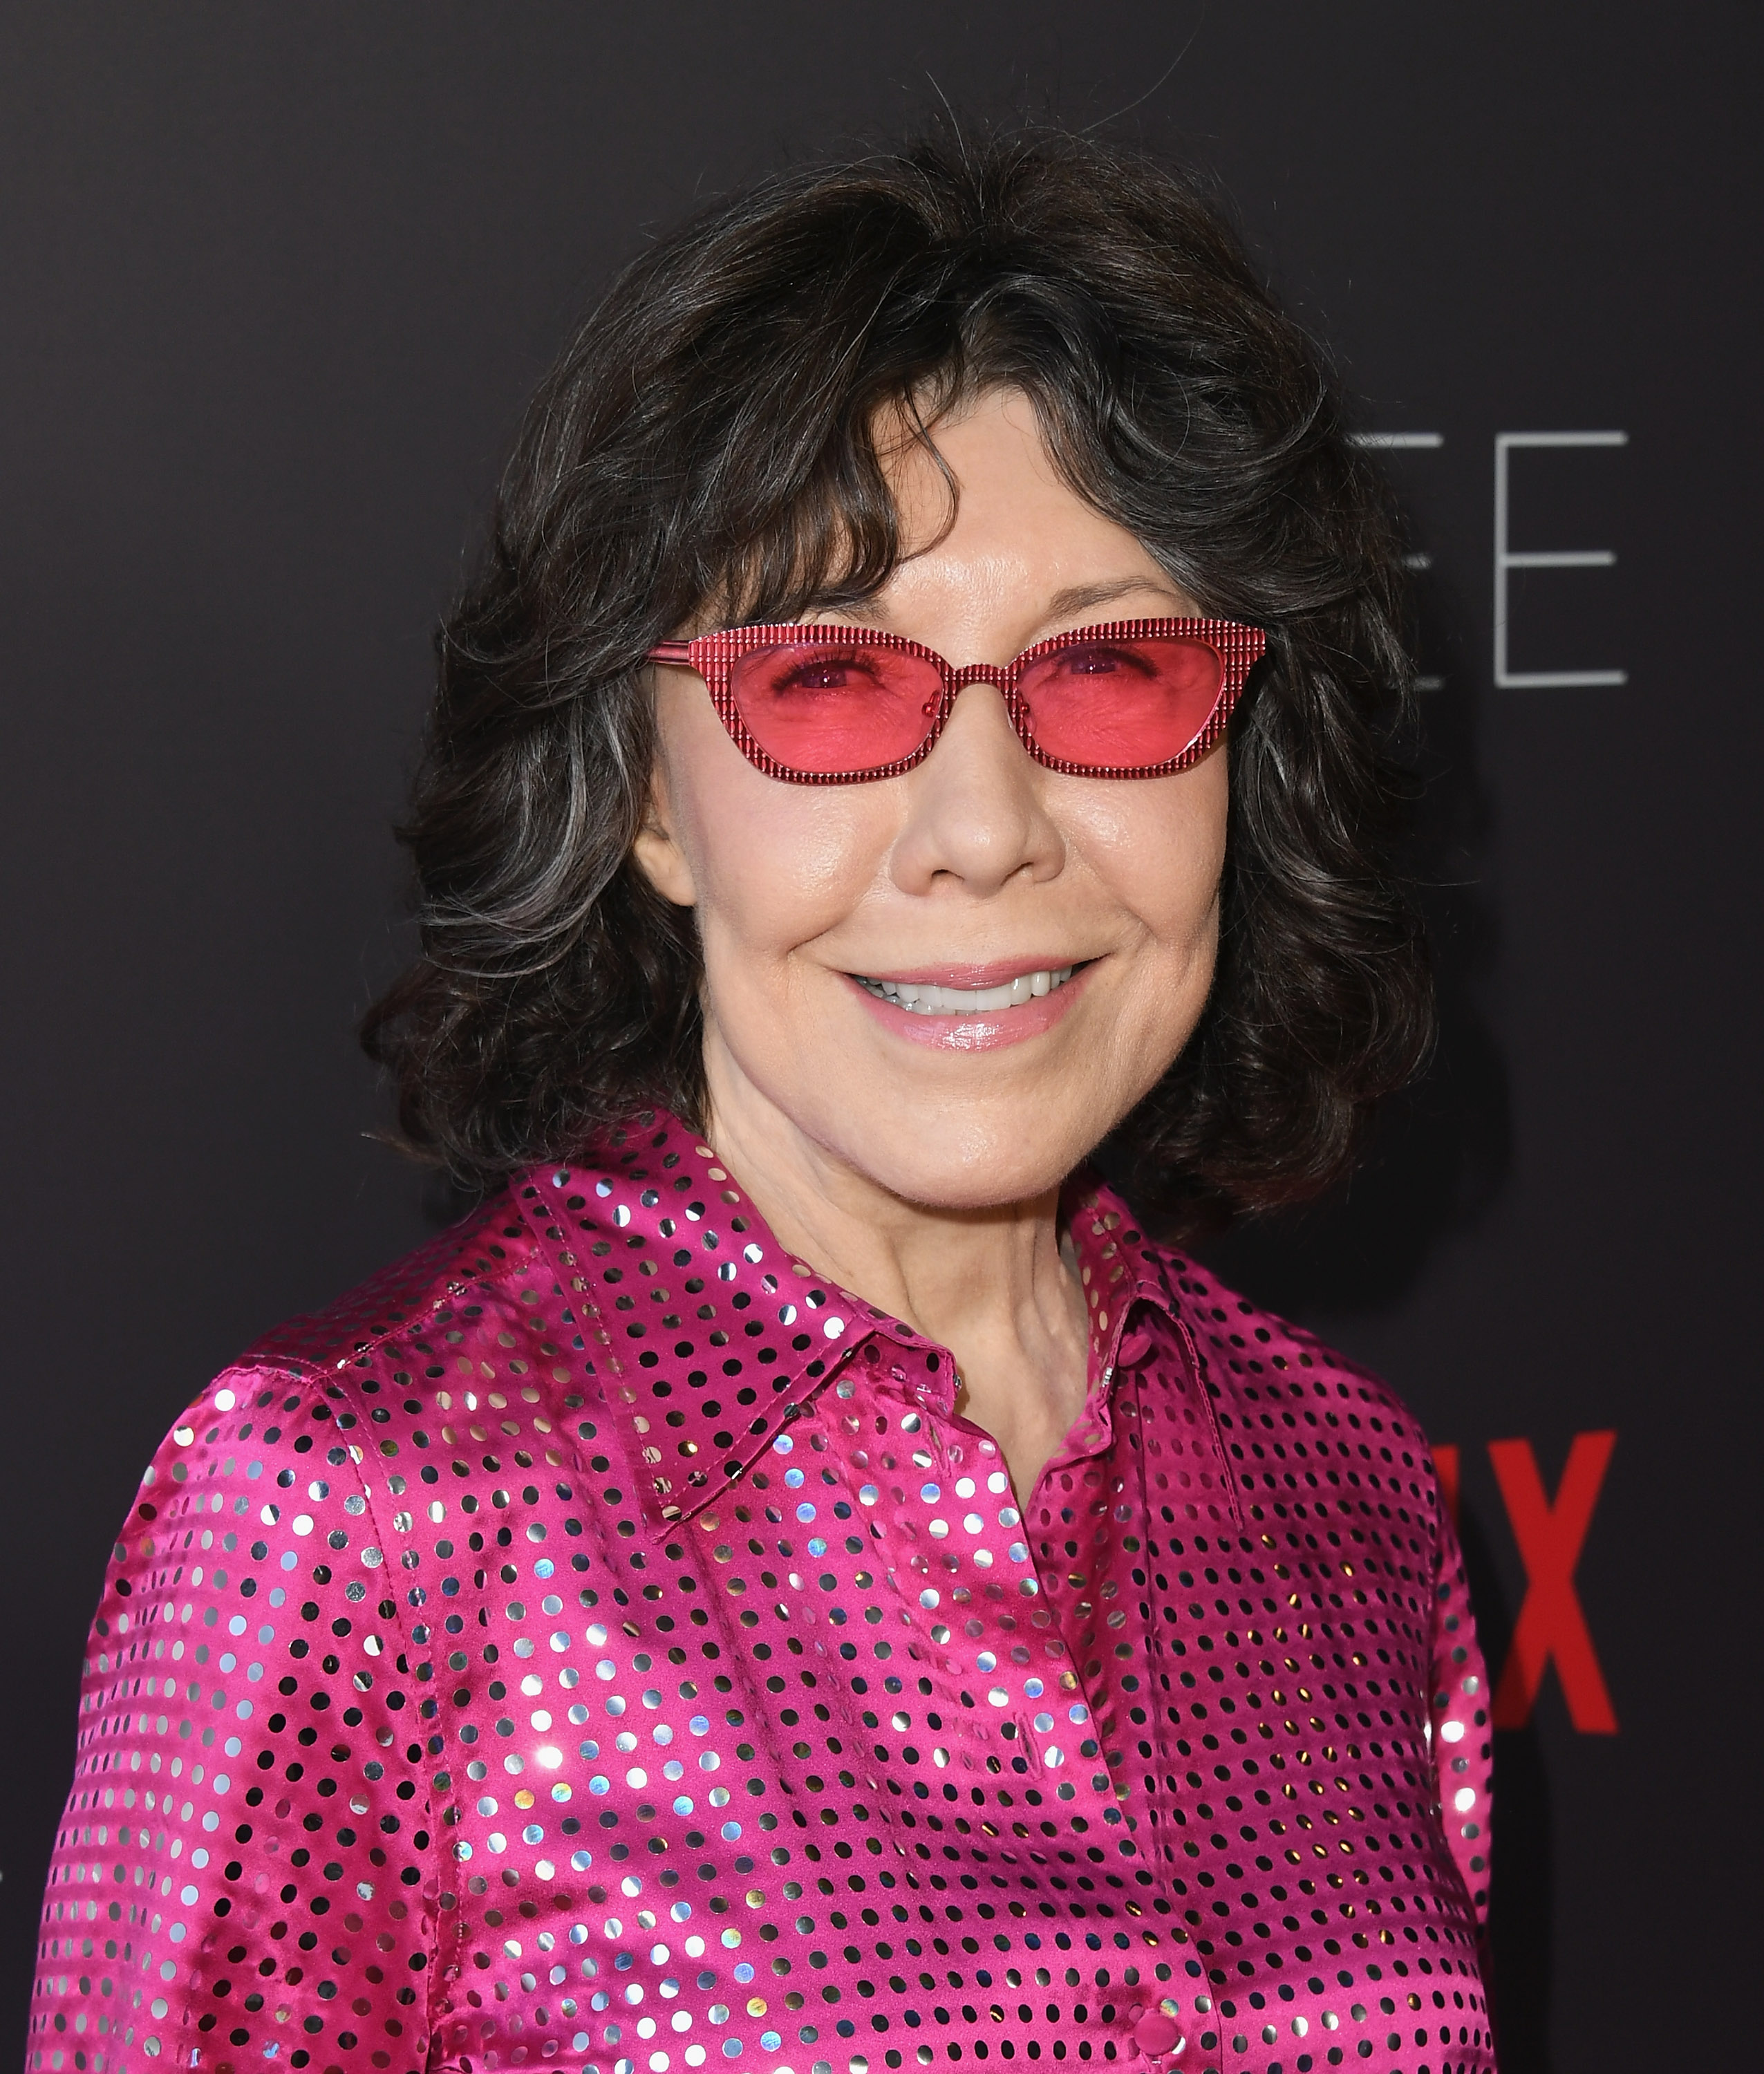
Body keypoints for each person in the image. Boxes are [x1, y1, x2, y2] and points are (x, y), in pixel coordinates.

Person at [29, 132, 1494, 2074]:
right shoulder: (353, 1518)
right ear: (647, 801)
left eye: (1113, 669)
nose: (982, 834)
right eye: (826, 679)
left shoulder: (1351, 1492)